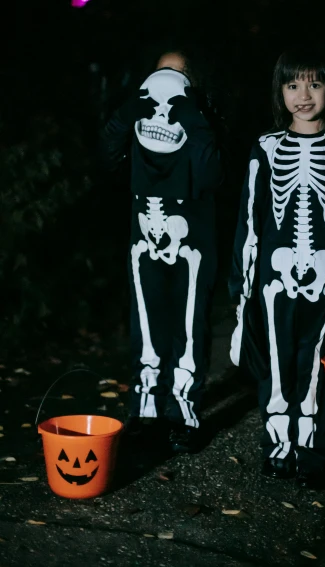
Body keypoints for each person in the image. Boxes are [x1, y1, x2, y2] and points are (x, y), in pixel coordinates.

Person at [228, 49, 325, 488]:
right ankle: (278, 448)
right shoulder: (266, 148)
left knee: (317, 364)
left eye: (314, 84)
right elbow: (249, 222)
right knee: (276, 364)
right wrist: (241, 289)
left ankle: (313, 452)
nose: (303, 95)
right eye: (292, 85)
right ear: (280, 92)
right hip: (273, 281)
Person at [99, 49, 222, 454]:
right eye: (159, 78)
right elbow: (107, 153)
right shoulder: (139, 130)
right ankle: (146, 409)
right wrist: (129, 112)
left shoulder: (199, 127)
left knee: (189, 327)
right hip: (143, 239)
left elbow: (210, 171)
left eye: (177, 79)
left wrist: (191, 117)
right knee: (146, 326)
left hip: (192, 244)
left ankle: (183, 413)